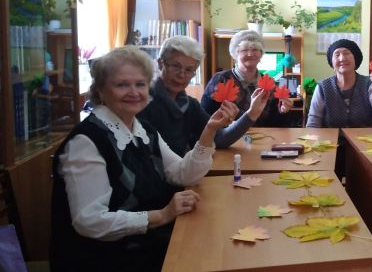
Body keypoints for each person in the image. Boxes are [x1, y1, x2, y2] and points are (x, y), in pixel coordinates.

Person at [50, 46, 238, 272]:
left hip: (144, 243)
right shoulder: (86, 142)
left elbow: (181, 173)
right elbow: (90, 222)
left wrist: (209, 131)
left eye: (140, 84)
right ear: (100, 90)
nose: (134, 92)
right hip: (106, 259)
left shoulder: (142, 130)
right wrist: (162, 215)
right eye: (122, 84)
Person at [137, 35, 259, 155]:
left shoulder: (189, 105)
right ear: (160, 64)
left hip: (179, 171)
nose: (181, 74)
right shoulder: (140, 102)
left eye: (189, 70)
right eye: (175, 66)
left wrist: (251, 113)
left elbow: (219, 139)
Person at [200, 30, 293, 127]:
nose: (250, 54)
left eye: (255, 49)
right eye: (244, 50)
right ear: (235, 53)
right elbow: (204, 119)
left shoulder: (269, 83)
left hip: (262, 139)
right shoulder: (221, 80)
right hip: (228, 139)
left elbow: (275, 125)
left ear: (261, 53)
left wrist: (283, 112)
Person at [306, 38, 372, 127]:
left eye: (346, 53)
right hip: (332, 140)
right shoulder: (322, 87)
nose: (342, 58)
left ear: (355, 60)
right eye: (337, 55)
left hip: (366, 139)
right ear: (332, 63)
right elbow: (313, 123)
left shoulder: (369, 84)